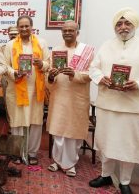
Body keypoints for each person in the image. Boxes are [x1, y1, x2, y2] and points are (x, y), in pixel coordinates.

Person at [88, 8, 139, 194]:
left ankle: (125, 181)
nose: (123, 27)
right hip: (108, 104)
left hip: (134, 106)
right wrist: (100, 78)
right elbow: (93, 68)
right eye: (119, 24)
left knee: (128, 146)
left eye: (127, 23)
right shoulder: (106, 45)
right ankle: (105, 175)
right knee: (106, 142)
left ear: (135, 24)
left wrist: (138, 83)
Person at [46, 20, 94, 176]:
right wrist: (51, 77)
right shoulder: (55, 51)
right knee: (58, 130)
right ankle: (57, 160)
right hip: (59, 95)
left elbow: (92, 74)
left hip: (77, 97)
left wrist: (75, 74)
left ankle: (70, 163)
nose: (67, 32)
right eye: (64, 30)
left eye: (70, 30)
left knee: (73, 132)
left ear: (77, 32)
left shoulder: (87, 51)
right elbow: (48, 74)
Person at [2, 15, 50, 165]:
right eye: (21, 26)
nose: (24, 29)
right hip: (16, 89)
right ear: (17, 28)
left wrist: (41, 63)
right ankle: (17, 152)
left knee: (35, 122)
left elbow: (49, 63)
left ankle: (32, 153)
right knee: (17, 121)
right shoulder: (10, 45)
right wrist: (14, 72)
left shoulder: (41, 43)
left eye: (26, 26)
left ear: (31, 27)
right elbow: (5, 66)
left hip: (36, 89)